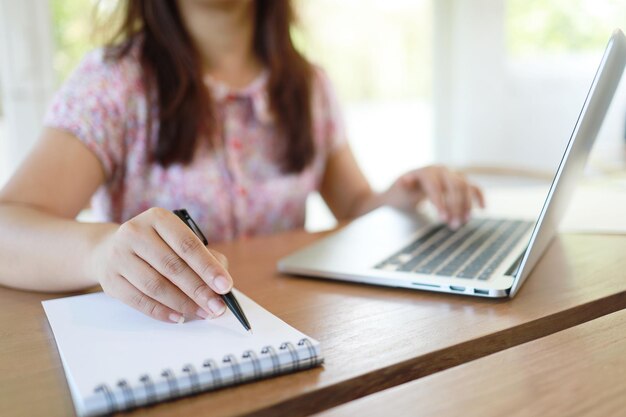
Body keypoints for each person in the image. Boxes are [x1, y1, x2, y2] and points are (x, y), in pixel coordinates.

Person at [0, 0, 484, 323]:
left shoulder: (309, 87)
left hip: (294, 337)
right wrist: (100, 251)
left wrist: (405, 194)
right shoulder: (114, 84)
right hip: (175, 344)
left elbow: (355, 205)